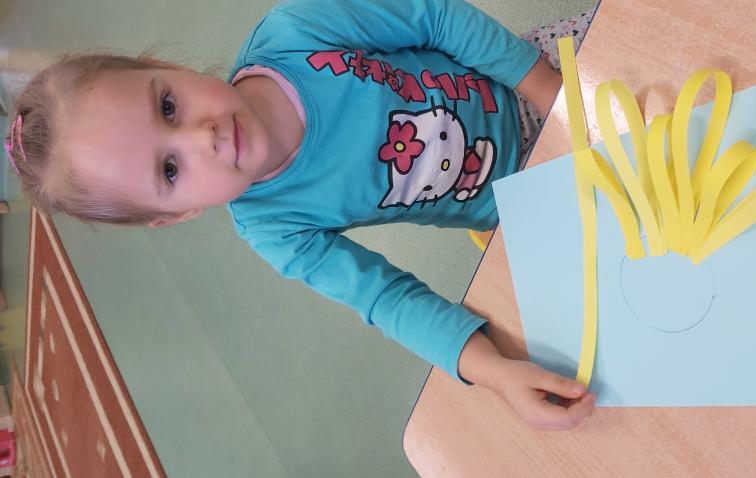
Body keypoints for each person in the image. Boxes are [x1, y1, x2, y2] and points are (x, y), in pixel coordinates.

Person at [4, 0, 596, 430]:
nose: (203, 136)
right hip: (516, 204)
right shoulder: (273, 228)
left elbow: (435, 16)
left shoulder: (295, 33)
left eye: (167, 106)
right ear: (177, 214)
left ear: (164, 65)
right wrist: (495, 373)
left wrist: (560, 101)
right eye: (170, 169)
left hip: (536, 80)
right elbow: (385, 299)